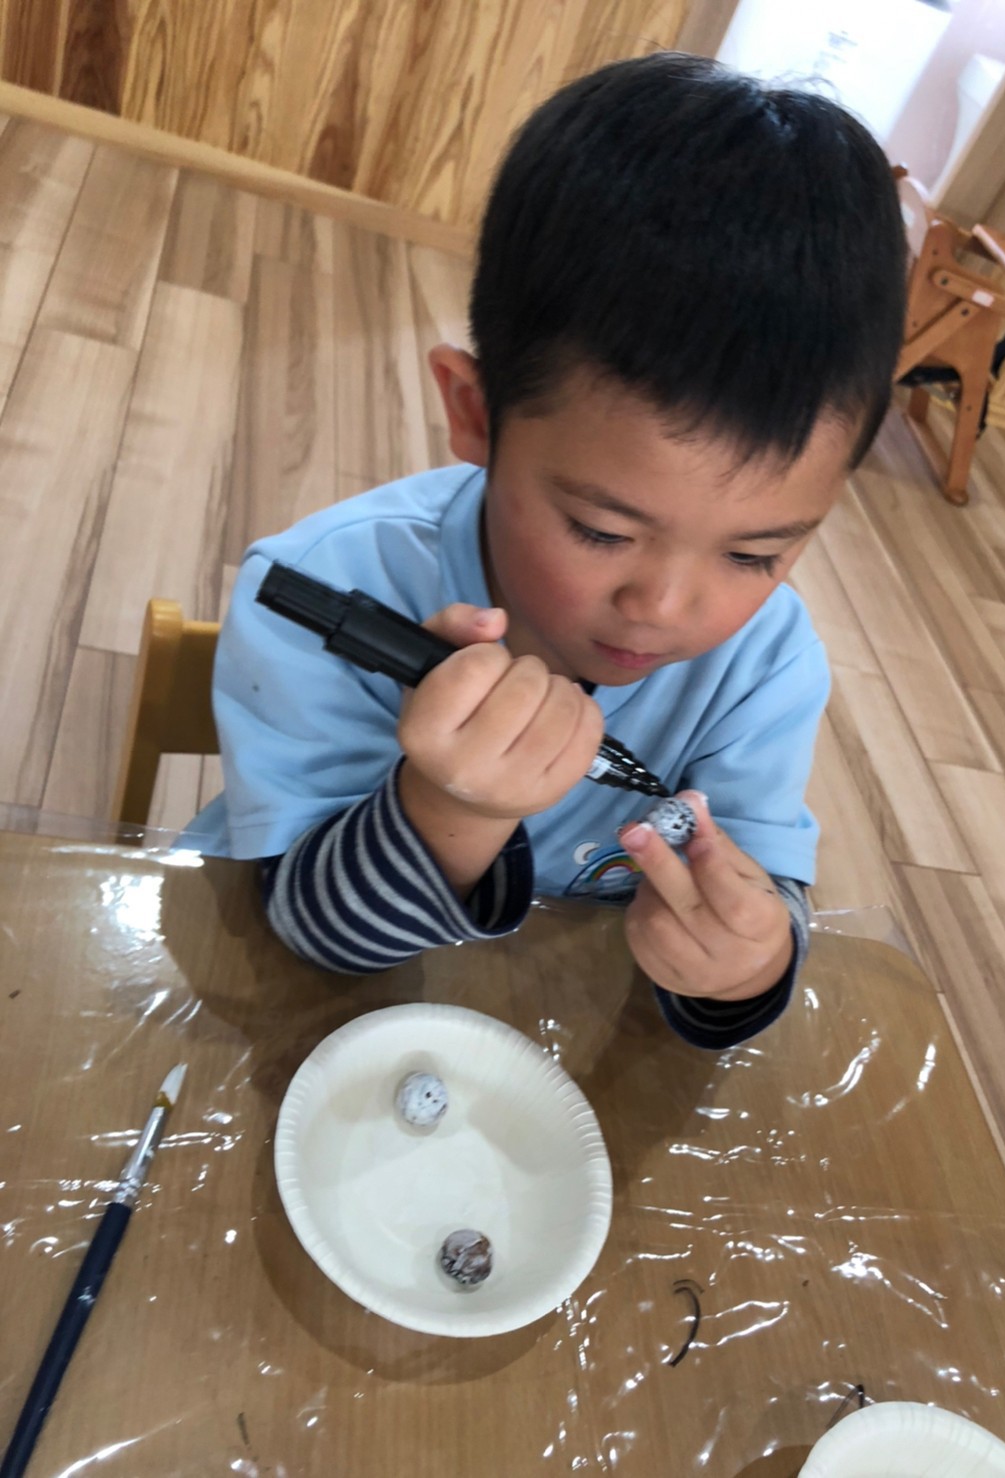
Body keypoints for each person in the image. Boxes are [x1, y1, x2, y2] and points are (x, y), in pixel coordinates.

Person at [184, 52, 907, 1049]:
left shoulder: (765, 661)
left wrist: (744, 965)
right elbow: (307, 946)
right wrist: (449, 806)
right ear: (475, 412)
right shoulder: (326, 592)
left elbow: (754, 883)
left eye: (755, 555)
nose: (666, 608)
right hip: (299, 1027)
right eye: (603, 531)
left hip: (547, 1050)